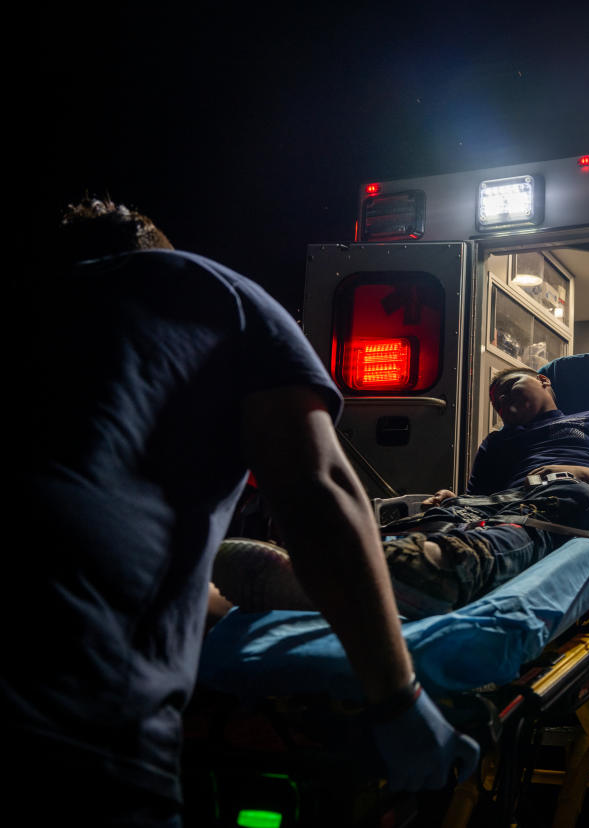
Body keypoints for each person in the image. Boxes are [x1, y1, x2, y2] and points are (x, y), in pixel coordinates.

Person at [8, 199, 478, 825]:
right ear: (158, 257)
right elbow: (320, 492)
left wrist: (232, 609)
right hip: (76, 714)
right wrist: (398, 697)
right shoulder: (206, 290)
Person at [216, 365, 589, 619]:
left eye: (511, 388)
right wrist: (449, 499)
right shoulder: (496, 443)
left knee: (556, 501)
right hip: (507, 504)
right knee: (445, 516)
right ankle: (335, 565)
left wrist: (572, 470)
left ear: (543, 381)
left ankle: (441, 568)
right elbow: (479, 497)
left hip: (573, 500)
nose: (504, 401)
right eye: (497, 401)